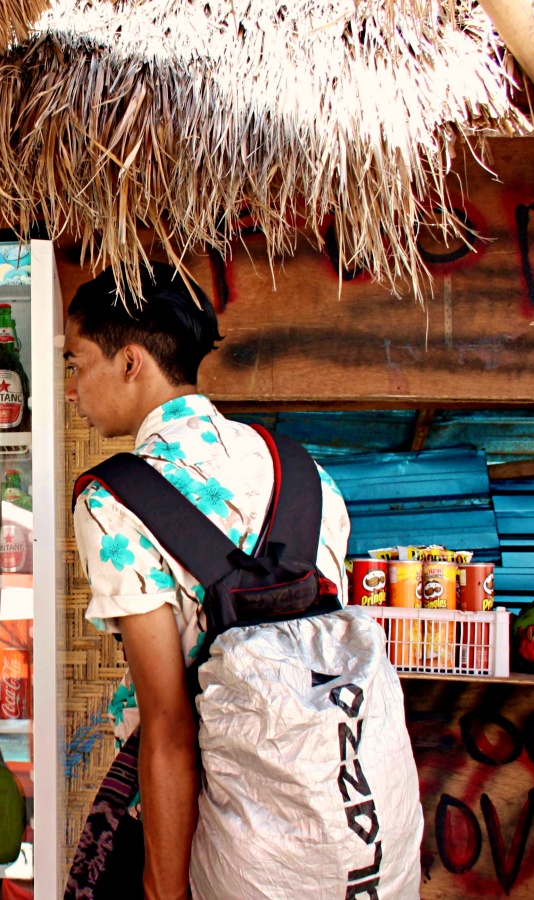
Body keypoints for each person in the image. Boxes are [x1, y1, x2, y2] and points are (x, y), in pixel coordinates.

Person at [64, 264, 419, 899]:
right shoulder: (304, 472)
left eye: (76, 362)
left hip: (219, 824)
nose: (71, 389)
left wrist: (166, 889)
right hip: (340, 811)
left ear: (129, 362)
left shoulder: (113, 501)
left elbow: (168, 726)